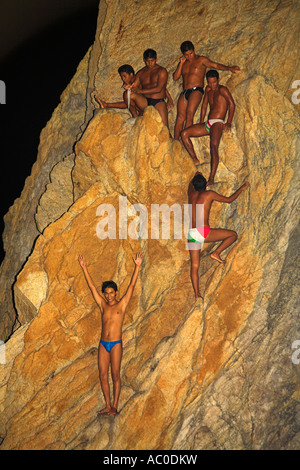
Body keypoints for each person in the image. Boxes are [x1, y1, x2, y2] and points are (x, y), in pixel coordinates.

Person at [78, 252, 143, 416]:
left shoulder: (121, 305)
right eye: (106, 293)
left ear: (115, 292)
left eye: (111, 293)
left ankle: (115, 406)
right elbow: (92, 288)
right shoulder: (102, 305)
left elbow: (131, 287)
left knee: (115, 374)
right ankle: (107, 405)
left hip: (115, 343)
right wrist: (84, 267)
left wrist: (137, 266)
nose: (108, 296)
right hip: (102, 344)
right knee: (102, 374)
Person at [187, 172, 249, 300]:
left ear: (194, 185)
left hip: (192, 233)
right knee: (233, 235)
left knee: (194, 266)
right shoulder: (209, 194)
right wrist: (242, 188)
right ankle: (216, 253)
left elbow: (190, 185)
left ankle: (197, 294)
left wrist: (196, 175)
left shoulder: (191, 195)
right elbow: (229, 200)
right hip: (203, 231)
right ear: (206, 185)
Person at [173, 40, 240, 139]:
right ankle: (175, 142)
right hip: (185, 91)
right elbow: (175, 77)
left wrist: (229, 68)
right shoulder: (184, 63)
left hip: (196, 90)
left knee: (189, 113)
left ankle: (184, 140)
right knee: (179, 117)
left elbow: (216, 65)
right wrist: (181, 64)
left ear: (194, 50)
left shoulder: (201, 60)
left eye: (191, 53)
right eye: (186, 55)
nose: (189, 56)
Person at [181, 69, 236, 186]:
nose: (212, 85)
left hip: (218, 122)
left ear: (218, 80)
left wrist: (229, 122)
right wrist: (201, 120)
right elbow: (204, 105)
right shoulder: (208, 89)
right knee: (184, 134)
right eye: (210, 82)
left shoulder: (222, 89)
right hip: (208, 123)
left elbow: (232, 104)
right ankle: (195, 159)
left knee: (213, 146)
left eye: (214, 82)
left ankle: (211, 178)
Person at [124, 49, 172, 129]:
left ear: (156, 59)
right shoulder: (141, 72)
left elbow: (159, 89)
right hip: (145, 101)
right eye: (147, 61)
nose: (150, 63)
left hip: (158, 101)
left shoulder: (162, 71)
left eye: (152, 61)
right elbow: (134, 86)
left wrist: (141, 91)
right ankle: (136, 118)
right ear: (144, 60)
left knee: (165, 129)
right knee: (127, 94)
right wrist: (128, 86)